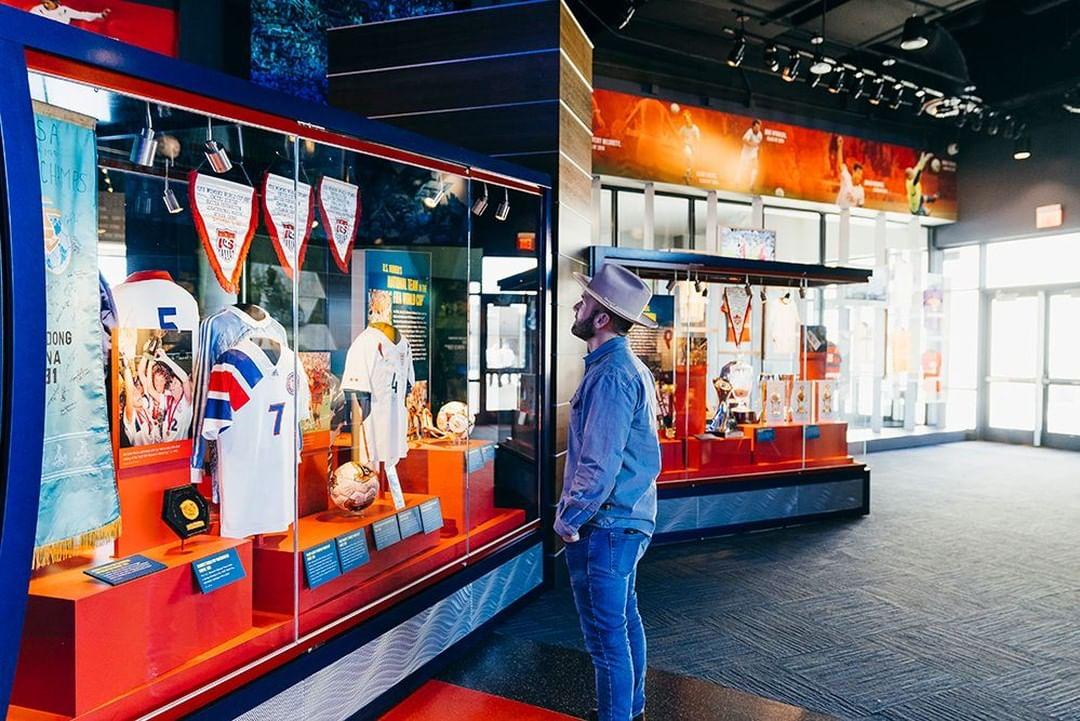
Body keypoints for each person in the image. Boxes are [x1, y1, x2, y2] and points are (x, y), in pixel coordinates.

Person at [555, 263, 662, 721]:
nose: (577, 305)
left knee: (604, 640)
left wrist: (568, 519)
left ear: (601, 318)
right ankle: (632, 711)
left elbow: (597, 465)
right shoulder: (622, 367)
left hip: (608, 527)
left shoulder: (612, 374)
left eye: (585, 301)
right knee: (622, 623)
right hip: (626, 521)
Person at [834, 136, 865, 209]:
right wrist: (840, 147)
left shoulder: (861, 190)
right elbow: (840, 163)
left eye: (861, 174)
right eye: (858, 173)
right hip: (837, 212)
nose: (859, 176)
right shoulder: (846, 177)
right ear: (853, 172)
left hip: (849, 217)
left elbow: (860, 206)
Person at [905, 151, 938, 215]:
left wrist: (924, 158)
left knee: (925, 198)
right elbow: (917, 178)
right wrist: (920, 170)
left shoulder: (911, 174)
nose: (913, 172)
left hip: (919, 197)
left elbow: (919, 165)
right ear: (909, 176)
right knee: (928, 213)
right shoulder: (911, 184)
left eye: (913, 170)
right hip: (915, 208)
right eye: (912, 172)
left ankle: (933, 199)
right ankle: (923, 212)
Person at [29, 0, 110, 24]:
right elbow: (29, 20)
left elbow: (82, 15)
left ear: (56, 2)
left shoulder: (65, 10)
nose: (45, 5)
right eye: (43, 2)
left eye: (48, 3)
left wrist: (100, 15)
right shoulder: (37, 9)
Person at [737, 119, 764, 190]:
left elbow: (758, 145)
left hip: (753, 154)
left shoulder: (760, 135)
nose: (758, 129)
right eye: (756, 127)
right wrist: (751, 144)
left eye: (759, 127)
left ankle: (751, 185)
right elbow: (744, 140)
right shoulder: (749, 131)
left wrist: (756, 151)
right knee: (742, 168)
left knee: (755, 168)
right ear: (753, 127)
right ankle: (737, 182)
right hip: (745, 154)